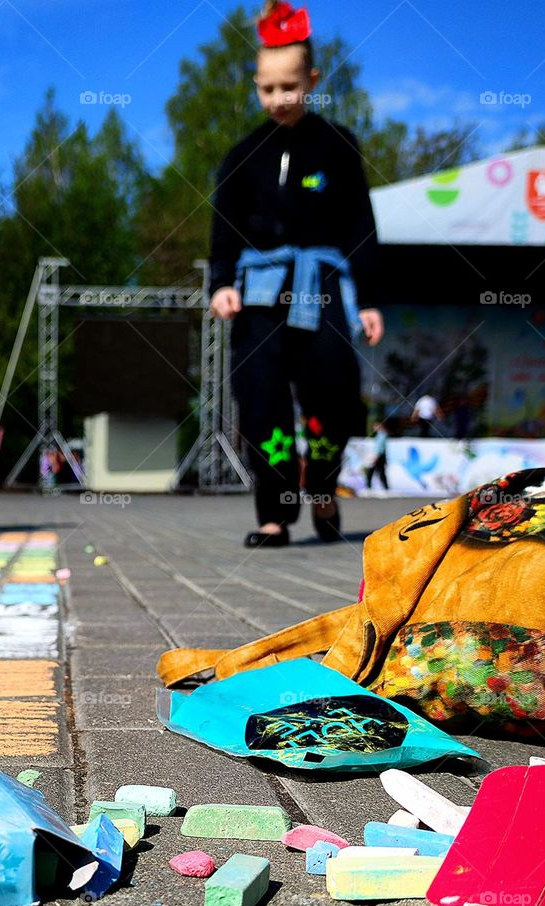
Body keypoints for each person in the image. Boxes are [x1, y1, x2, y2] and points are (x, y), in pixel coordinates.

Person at [209, 1, 383, 547]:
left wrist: (370, 298)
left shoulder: (338, 145)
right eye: (268, 89)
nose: (279, 99)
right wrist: (220, 284)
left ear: (311, 80)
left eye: (290, 86)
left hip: (324, 287)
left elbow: (360, 224)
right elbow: (224, 228)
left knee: (332, 398)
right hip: (259, 293)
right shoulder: (242, 156)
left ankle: (324, 488)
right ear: (256, 86)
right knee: (261, 401)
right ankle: (274, 514)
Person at [364, 420, 389, 491]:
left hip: (378, 456)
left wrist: (376, 457)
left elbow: (380, 448)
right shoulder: (379, 435)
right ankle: (385, 488)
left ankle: (369, 488)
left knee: (374, 472)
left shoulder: (382, 435)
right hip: (377, 456)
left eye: (376, 426)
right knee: (379, 472)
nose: (374, 428)